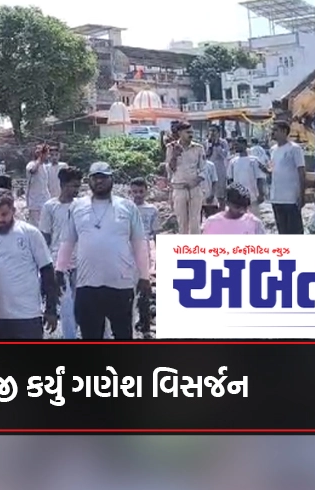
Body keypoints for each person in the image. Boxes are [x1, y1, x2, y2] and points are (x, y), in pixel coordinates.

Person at [55, 162, 151, 340]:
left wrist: (144, 277)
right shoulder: (77, 207)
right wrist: (59, 270)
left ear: (111, 179)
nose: (99, 181)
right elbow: (67, 241)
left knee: (123, 335)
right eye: (95, 177)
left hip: (120, 284)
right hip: (87, 285)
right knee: (90, 336)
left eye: (103, 177)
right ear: (89, 180)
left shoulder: (128, 207)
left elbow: (139, 243)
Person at [0, 190, 57, 339]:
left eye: (4, 214)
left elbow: (47, 271)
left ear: (13, 211)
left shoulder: (30, 233)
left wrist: (51, 310)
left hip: (27, 316)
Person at [39, 166, 81, 339]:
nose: (76, 190)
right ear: (63, 185)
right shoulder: (50, 207)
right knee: (66, 306)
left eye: (78, 186)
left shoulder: (82, 206)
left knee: (80, 305)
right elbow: (45, 236)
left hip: (80, 262)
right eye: (73, 186)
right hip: (58, 264)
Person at [126, 177, 159, 337]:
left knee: (144, 289)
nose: (138, 195)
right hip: (127, 252)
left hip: (144, 253)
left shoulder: (152, 210)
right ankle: (128, 325)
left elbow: (155, 234)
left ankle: (145, 326)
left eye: (141, 191)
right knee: (127, 290)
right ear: (130, 192)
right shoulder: (126, 208)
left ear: (146, 191)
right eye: (135, 192)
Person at [268, 121, 307, 235]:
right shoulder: (273, 150)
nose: (272, 133)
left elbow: (301, 172)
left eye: (275, 130)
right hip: (276, 197)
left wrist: (301, 195)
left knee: (294, 232)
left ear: (284, 131)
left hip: (291, 198)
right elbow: (272, 169)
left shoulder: (294, 148)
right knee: (282, 232)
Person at [166, 123, 205, 234]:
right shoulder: (171, 148)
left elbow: (204, 169)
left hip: (194, 188)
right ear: (180, 133)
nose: (190, 135)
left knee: (195, 222)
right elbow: (169, 170)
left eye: (192, 132)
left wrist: (196, 181)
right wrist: (174, 155)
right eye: (188, 132)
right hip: (179, 188)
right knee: (182, 223)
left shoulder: (198, 148)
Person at [201, 183, 266, 234]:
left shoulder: (255, 224)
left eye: (245, 208)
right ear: (227, 203)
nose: (242, 211)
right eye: (237, 207)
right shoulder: (212, 223)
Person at [227, 138, 267, 217]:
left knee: (253, 219)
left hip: (252, 197)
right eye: (235, 145)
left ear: (245, 145)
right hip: (238, 197)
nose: (236, 147)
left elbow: (260, 178)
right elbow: (230, 180)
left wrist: (261, 194)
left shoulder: (254, 160)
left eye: (238, 145)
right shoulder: (233, 161)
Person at [25, 144, 56, 227]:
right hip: (34, 201)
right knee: (36, 226)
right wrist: (39, 158)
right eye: (46, 154)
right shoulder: (31, 164)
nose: (47, 156)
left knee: (45, 225)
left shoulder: (45, 167)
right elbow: (33, 171)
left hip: (45, 200)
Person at [206, 127, 229, 208]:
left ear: (218, 132)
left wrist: (217, 145)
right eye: (210, 131)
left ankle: (222, 210)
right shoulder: (206, 142)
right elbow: (206, 155)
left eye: (214, 131)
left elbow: (224, 155)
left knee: (220, 193)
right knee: (209, 190)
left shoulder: (223, 142)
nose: (212, 133)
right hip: (208, 169)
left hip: (219, 168)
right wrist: (210, 145)